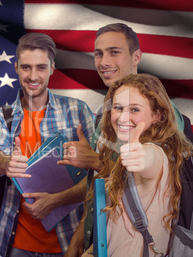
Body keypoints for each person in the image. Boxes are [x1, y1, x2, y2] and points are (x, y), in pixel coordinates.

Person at [62, 23, 193, 256]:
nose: (104, 61)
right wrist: (84, 240)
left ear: (136, 56)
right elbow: (103, 188)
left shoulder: (164, 115)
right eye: (98, 53)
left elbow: (159, 160)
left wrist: (137, 157)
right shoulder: (104, 117)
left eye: (114, 51)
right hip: (105, 240)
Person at [0, 32, 95, 257]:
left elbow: (100, 178)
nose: (33, 76)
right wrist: (7, 163)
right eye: (26, 67)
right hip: (16, 245)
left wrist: (55, 201)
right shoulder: (2, 115)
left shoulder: (78, 111)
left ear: (52, 68)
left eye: (41, 67)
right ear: (16, 67)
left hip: (69, 243)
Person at [81, 73, 193, 256]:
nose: (123, 117)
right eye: (118, 108)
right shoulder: (125, 155)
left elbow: (150, 160)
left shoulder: (158, 152)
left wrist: (141, 157)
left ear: (158, 115)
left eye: (134, 110)